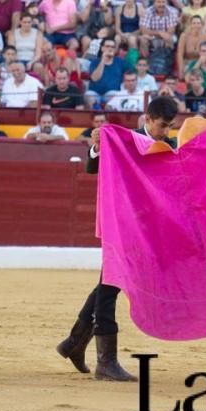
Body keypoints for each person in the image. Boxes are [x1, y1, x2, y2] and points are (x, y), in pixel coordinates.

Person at [56, 95, 180, 382]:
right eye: (163, 125)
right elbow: (91, 168)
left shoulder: (171, 145)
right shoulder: (124, 140)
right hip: (122, 224)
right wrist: (98, 146)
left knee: (108, 282)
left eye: (171, 126)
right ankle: (105, 361)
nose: (167, 132)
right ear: (147, 119)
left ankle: (75, 344)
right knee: (112, 284)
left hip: (148, 228)